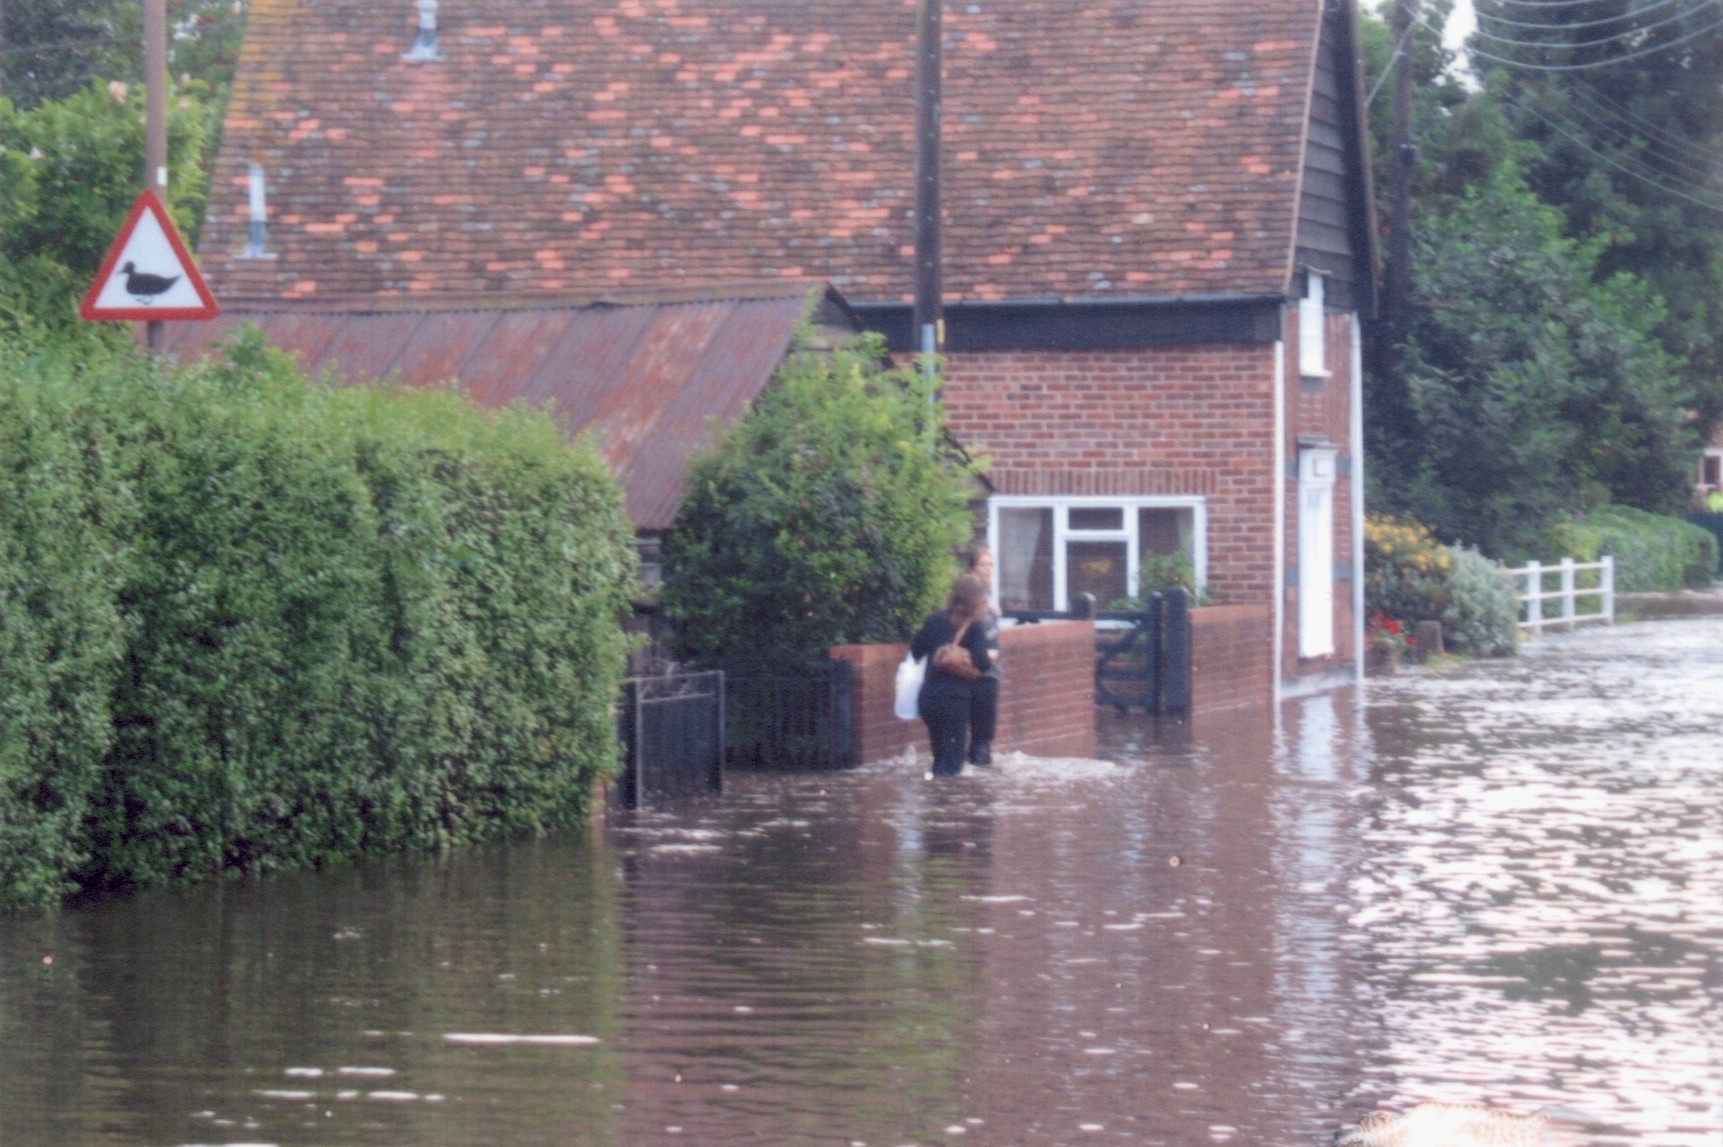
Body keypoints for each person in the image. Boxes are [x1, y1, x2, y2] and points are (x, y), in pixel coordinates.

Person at [910, 574, 994, 777]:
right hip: (955, 702)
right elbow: (983, 664)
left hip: (929, 700)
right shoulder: (975, 626)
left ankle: (935, 801)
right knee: (952, 765)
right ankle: (945, 804)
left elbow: (916, 651)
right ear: (978, 600)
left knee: (939, 758)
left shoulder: (934, 619)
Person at [965, 545, 1002, 765]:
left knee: (980, 735)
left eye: (991, 565)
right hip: (979, 671)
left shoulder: (987, 597)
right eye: (983, 564)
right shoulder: (970, 596)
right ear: (972, 567)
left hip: (986, 672)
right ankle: (980, 785)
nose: (988, 569)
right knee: (982, 736)